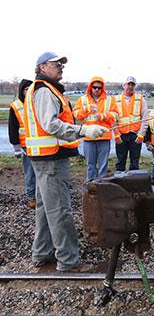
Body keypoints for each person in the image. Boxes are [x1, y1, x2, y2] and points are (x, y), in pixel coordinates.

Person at [23, 51, 108, 273]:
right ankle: (68, 261)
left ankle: (42, 253)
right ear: (42, 67)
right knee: (60, 210)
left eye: (62, 64)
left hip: (45, 158)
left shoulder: (46, 90)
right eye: (56, 64)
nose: (61, 67)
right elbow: (51, 125)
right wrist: (83, 130)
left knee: (45, 209)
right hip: (50, 160)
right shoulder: (44, 91)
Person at [73, 76, 118, 181]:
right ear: (90, 87)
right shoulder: (82, 100)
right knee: (90, 164)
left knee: (103, 165)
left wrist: (103, 116)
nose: (97, 89)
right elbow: (76, 114)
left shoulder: (110, 100)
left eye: (99, 87)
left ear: (102, 88)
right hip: (88, 137)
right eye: (94, 87)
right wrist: (86, 109)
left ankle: (102, 186)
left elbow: (115, 115)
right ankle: (90, 185)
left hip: (104, 136)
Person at [8, 79, 36, 209]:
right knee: (30, 172)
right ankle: (31, 197)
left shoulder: (37, 103)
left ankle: (40, 196)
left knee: (41, 172)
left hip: (40, 145)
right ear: (22, 91)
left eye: (31, 88)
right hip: (26, 146)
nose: (29, 91)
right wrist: (17, 148)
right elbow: (12, 128)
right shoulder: (16, 106)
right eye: (26, 89)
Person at [114, 76, 148, 171]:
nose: (130, 86)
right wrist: (116, 135)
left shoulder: (141, 99)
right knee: (120, 161)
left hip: (135, 136)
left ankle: (133, 183)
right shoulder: (116, 100)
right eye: (128, 84)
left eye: (132, 84)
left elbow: (145, 118)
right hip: (121, 136)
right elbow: (113, 120)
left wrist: (141, 134)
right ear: (123, 85)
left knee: (134, 162)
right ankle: (119, 182)